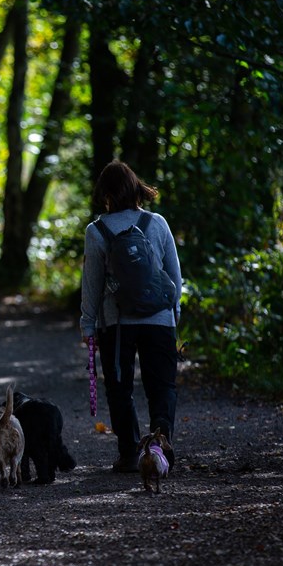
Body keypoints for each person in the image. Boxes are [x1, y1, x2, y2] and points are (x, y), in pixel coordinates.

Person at [80, 160, 182, 472]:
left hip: (117, 325)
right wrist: (172, 312)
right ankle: (159, 445)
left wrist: (88, 325)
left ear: (105, 194)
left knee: (120, 389)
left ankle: (128, 453)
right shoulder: (157, 223)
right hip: (159, 320)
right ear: (136, 188)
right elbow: (174, 278)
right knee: (161, 386)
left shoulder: (97, 232)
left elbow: (92, 284)